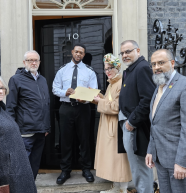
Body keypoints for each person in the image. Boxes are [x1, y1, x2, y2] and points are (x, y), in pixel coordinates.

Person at [145, 49, 186, 192]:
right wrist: (151, 150)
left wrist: (182, 162)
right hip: (161, 159)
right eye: (153, 64)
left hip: (177, 160)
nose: (156, 67)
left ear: (172, 63)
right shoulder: (159, 86)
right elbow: (155, 123)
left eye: (161, 63)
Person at [52, 43, 98, 184]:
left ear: (84, 55)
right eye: (76, 51)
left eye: (81, 53)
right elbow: (55, 88)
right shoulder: (62, 70)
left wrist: (85, 97)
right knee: (65, 140)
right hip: (66, 108)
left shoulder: (89, 71)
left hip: (83, 109)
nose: (78, 54)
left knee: (85, 139)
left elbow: (94, 91)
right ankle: (65, 170)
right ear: (72, 52)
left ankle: (86, 169)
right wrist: (64, 92)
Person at [6, 50, 51, 179]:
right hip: (25, 132)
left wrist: (47, 127)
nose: (33, 63)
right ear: (24, 62)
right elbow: (10, 106)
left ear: (40, 62)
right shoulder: (16, 79)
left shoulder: (42, 79)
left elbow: (46, 104)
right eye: (30, 60)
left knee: (34, 165)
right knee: (22, 166)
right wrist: (13, 129)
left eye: (36, 60)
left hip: (41, 131)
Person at [118, 40, 156, 193]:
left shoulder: (142, 68)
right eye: (122, 53)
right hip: (129, 124)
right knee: (137, 169)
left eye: (128, 51)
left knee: (140, 168)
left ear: (138, 50)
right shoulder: (131, 69)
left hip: (135, 127)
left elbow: (148, 99)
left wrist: (131, 122)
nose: (125, 55)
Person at [93, 54, 132, 193]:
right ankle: (116, 187)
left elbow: (118, 106)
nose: (107, 71)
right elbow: (110, 101)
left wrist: (100, 102)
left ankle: (122, 188)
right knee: (113, 158)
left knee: (119, 158)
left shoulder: (121, 83)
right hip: (109, 125)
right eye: (105, 69)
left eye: (110, 68)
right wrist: (99, 98)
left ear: (117, 68)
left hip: (116, 126)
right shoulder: (112, 83)